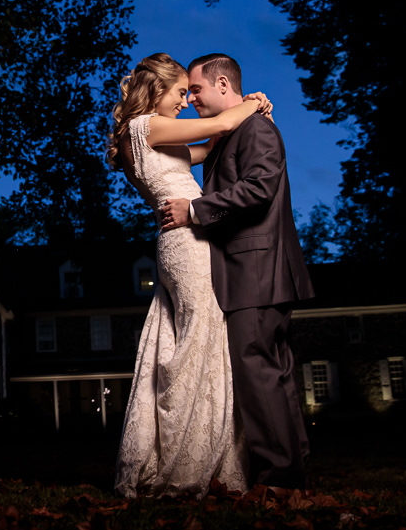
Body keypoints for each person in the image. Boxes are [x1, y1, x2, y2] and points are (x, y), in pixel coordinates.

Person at [108, 52, 271, 498]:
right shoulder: (145, 126)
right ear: (156, 89)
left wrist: (238, 115)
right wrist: (253, 103)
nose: (184, 101)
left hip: (181, 240)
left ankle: (192, 451)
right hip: (187, 243)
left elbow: (204, 149)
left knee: (184, 338)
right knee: (202, 338)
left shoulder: (148, 135)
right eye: (181, 92)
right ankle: (187, 460)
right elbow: (217, 128)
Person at [161, 53, 315, 490]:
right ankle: (294, 472)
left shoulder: (257, 128)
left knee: (257, 371)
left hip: (257, 271)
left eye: (196, 90)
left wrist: (194, 210)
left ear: (224, 84)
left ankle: (278, 479)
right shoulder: (231, 133)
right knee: (277, 375)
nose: (190, 99)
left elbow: (260, 187)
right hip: (257, 271)